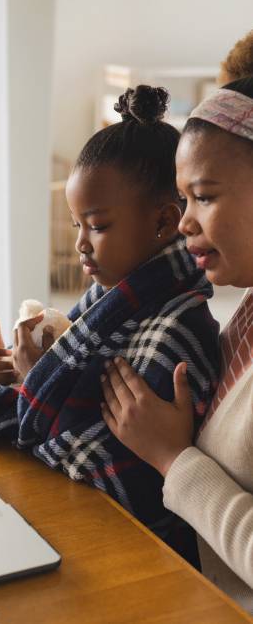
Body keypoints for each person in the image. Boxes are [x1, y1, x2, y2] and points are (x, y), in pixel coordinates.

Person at [0, 85, 220, 565]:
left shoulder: (178, 331)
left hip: (141, 559)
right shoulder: (111, 296)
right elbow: (70, 410)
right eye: (76, 224)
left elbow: (109, 473)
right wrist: (15, 376)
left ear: (166, 221)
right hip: (78, 526)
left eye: (98, 226)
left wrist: (33, 380)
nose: (81, 243)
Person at [101, 77, 253, 613]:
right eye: (183, 198)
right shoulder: (247, 306)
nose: (184, 221)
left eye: (204, 196)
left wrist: (173, 457)